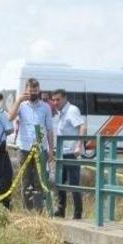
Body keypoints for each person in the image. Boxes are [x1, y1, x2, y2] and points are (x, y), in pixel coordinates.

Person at [8, 77, 55, 210]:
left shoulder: (45, 107)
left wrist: (51, 150)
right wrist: (18, 100)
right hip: (24, 148)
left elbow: (50, 129)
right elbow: (10, 117)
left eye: (36, 90)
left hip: (41, 149)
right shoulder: (21, 105)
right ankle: (26, 210)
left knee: (39, 180)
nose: (33, 93)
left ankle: (38, 211)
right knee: (25, 180)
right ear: (26, 91)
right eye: (31, 90)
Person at [52, 88, 86, 219]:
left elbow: (82, 126)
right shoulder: (61, 112)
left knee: (73, 184)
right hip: (62, 153)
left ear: (65, 98)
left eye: (58, 99)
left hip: (71, 153)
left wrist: (79, 145)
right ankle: (61, 210)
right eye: (54, 100)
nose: (55, 102)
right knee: (59, 182)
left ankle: (78, 213)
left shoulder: (72, 110)